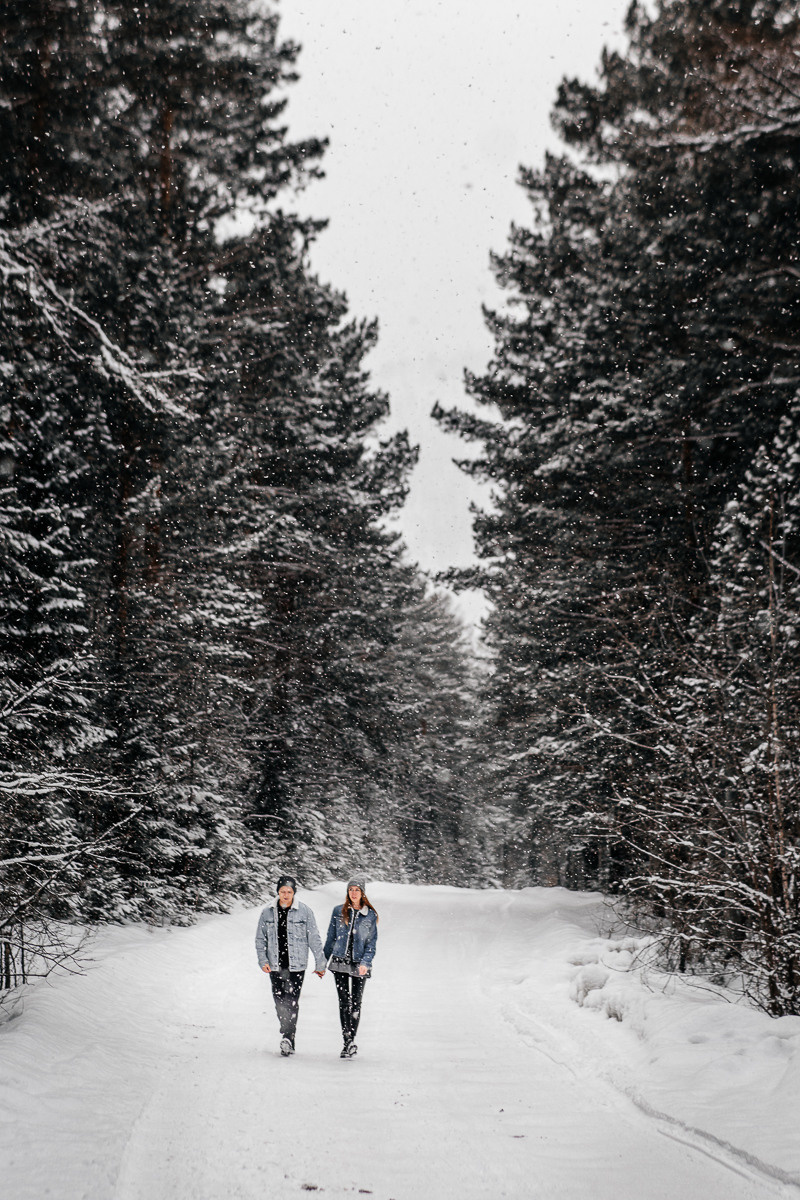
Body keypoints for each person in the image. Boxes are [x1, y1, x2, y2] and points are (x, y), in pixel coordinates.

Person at [255, 875, 326, 1056]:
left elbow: (314, 938)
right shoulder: (267, 912)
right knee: (279, 1001)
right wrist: (262, 960)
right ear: (277, 892)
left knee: (291, 1001)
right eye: (282, 892)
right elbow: (260, 939)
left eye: (289, 892)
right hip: (275, 965)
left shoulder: (304, 912)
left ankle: (288, 1036)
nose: (286, 895)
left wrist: (320, 963)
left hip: (296, 966)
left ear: (294, 892)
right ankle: (286, 1029)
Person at [323, 878, 378, 1059]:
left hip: (359, 964)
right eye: (351, 890)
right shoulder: (339, 911)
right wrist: (322, 961)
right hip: (340, 962)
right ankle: (347, 1041)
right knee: (344, 1002)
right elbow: (331, 938)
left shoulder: (369, 915)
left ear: (363, 893)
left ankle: (351, 1039)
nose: (353, 893)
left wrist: (366, 963)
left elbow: (371, 944)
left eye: (357, 890)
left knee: (356, 1003)